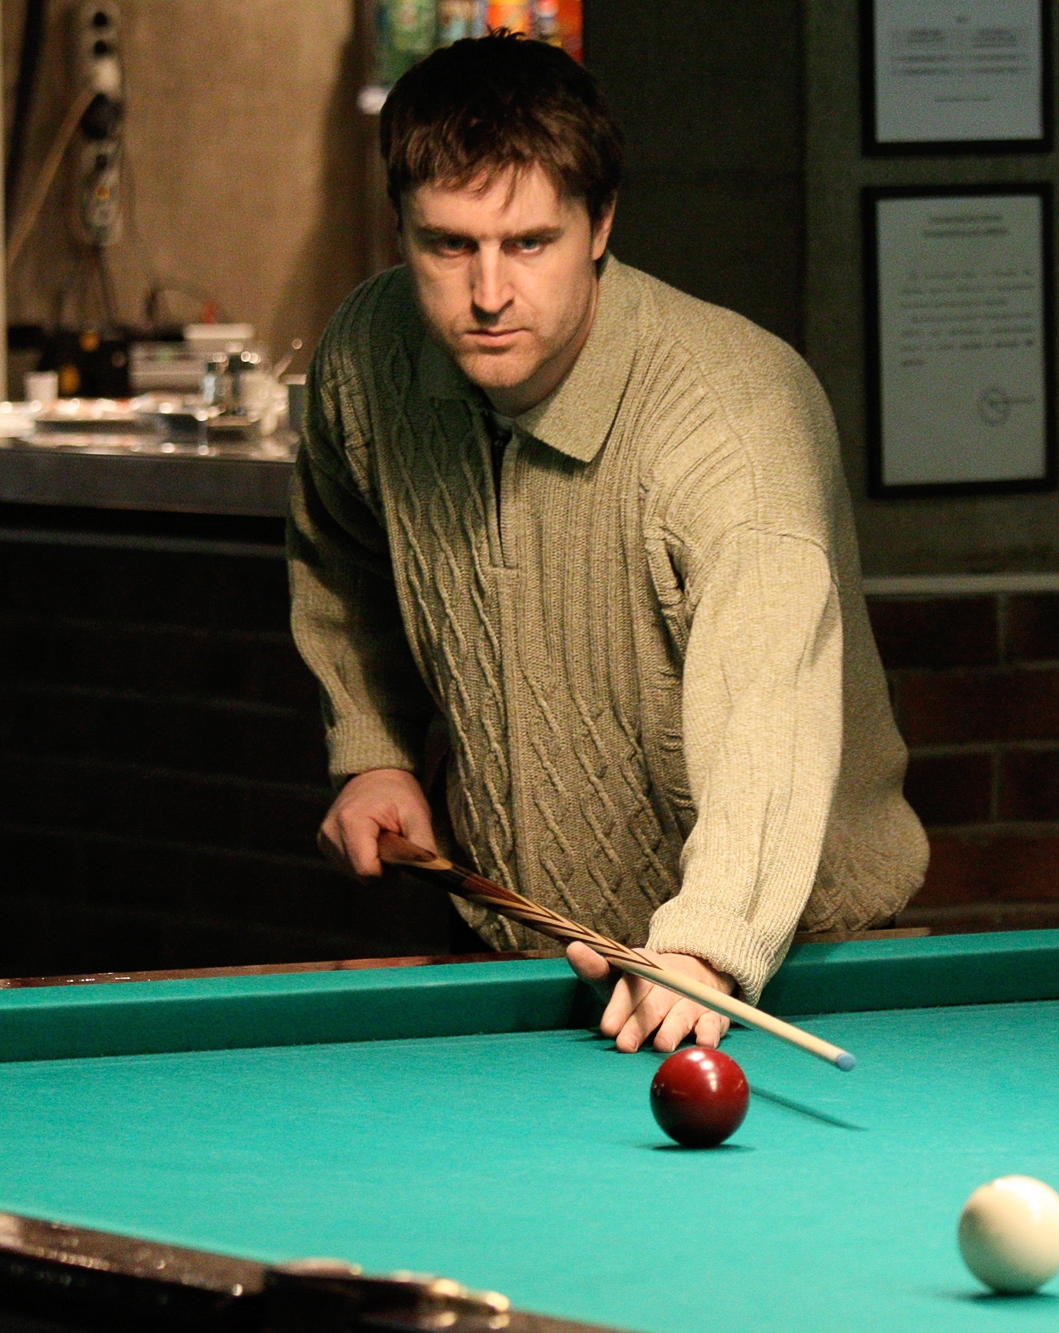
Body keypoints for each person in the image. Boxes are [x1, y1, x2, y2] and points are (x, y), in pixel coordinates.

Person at [288, 32, 926, 1056]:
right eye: (448, 245)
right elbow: (341, 561)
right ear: (399, 227)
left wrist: (710, 940)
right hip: (520, 950)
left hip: (777, 971)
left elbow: (767, 707)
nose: (488, 292)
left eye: (528, 243)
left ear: (601, 223)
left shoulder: (731, 421)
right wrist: (371, 751)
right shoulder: (370, 359)